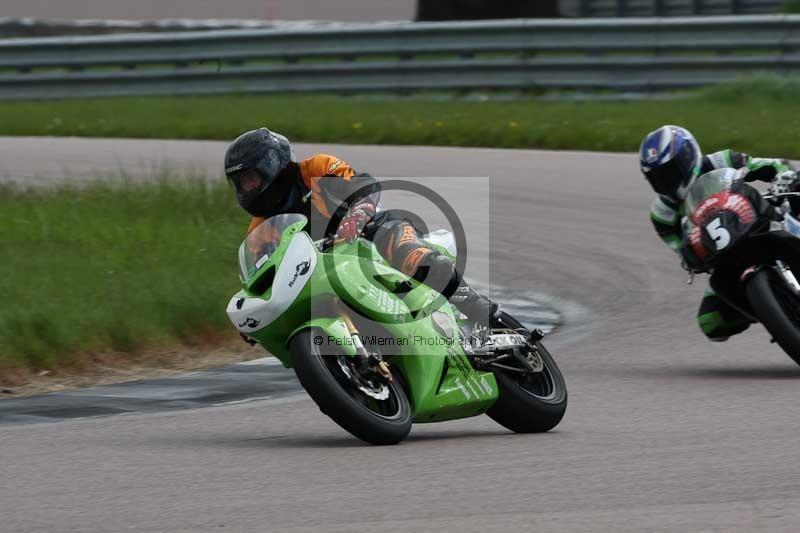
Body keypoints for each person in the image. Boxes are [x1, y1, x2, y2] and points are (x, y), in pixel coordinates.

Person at [224, 127, 504, 326]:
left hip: (371, 229)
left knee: (409, 253)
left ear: (271, 164)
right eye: (240, 183)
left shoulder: (316, 167)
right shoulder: (260, 227)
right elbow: (262, 273)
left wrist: (358, 212)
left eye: (250, 178)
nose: (246, 188)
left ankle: (474, 305)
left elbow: (362, 183)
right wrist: (258, 310)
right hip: (328, 267)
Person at [640, 125, 798, 341]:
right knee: (711, 321)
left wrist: (783, 176)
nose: (665, 181)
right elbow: (681, 249)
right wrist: (692, 258)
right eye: (657, 178)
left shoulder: (720, 160)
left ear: (688, 157)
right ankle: (779, 309)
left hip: (759, 217)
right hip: (724, 253)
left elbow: (766, 165)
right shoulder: (662, 214)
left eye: (669, 172)